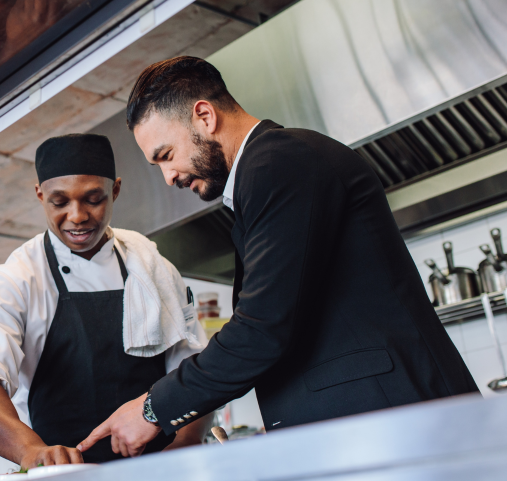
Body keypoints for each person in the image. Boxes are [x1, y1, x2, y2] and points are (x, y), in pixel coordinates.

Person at [77, 56, 479, 457]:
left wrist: (152, 409)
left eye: (166, 155)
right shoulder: (264, 173)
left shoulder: (279, 161)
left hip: (394, 426)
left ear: (204, 116)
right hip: (370, 430)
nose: (169, 178)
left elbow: (262, 328)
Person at [0, 134, 211, 468]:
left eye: (93, 199)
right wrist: (29, 450)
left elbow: (193, 368)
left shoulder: (153, 267)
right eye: (59, 202)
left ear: (115, 190)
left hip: (160, 469)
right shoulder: (17, 278)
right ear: (40, 195)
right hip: (62, 472)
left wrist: (186, 442)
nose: (77, 216)